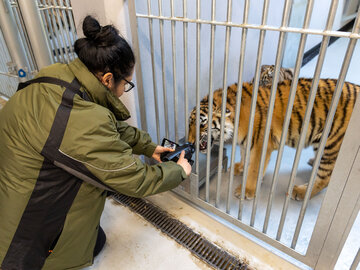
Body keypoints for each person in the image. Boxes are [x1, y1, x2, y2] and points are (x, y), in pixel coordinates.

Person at [0, 15, 192, 270]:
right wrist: (178, 171)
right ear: (107, 79)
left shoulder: (55, 78)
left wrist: (147, 146)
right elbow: (134, 180)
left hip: (11, 200)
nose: (125, 90)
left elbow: (99, 129)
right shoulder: (84, 121)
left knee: (92, 233)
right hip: (23, 246)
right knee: (94, 242)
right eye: (127, 83)